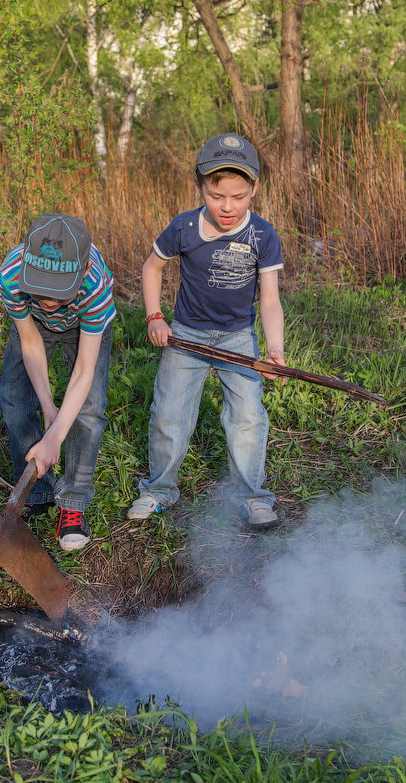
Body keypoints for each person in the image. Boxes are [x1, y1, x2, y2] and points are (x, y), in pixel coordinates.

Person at [126, 133, 286, 529]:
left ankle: (252, 497)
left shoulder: (263, 236)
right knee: (169, 413)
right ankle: (159, 490)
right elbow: (152, 267)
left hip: (237, 337)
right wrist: (154, 316)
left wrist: (275, 350)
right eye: (217, 195)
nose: (228, 206)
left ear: (255, 188)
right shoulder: (184, 228)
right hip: (186, 335)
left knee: (248, 414)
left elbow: (269, 300)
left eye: (238, 195)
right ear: (200, 187)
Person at [0, 214, 116, 551]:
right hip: (35, 327)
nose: (48, 300)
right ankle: (38, 490)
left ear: (78, 276)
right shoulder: (11, 278)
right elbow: (31, 344)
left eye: (58, 292)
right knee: (14, 400)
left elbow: (83, 372)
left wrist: (57, 435)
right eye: (41, 289)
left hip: (85, 327)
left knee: (88, 411)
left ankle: (73, 503)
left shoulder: (94, 286)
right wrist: (50, 407)